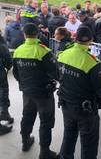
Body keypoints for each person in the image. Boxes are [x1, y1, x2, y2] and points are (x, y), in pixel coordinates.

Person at [57, 25, 101, 159]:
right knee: (88, 145)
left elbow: (59, 76)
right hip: (85, 110)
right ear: (90, 40)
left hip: (66, 104)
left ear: (75, 38)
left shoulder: (63, 54)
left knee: (68, 135)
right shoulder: (93, 62)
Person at [12, 23, 58, 159]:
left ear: (24, 34)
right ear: (37, 34)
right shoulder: (43, 51)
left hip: (27, 91)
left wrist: (24, 83)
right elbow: (55, 72)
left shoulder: (18, 50)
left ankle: (25, 141)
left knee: (27, 116)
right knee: (45, 121)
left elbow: (15, 72)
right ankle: (44, 152)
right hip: (43, 93)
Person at [0, 34, 14, 125]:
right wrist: (7, 68)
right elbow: (8, 59)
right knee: (3, 90)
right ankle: (4, 112)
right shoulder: (1, 44)